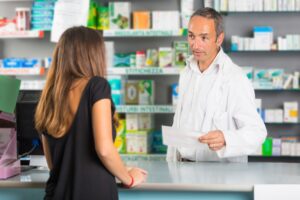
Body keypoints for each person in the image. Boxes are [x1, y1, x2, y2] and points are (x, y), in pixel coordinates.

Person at [35, 26, 147, 200]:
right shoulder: (97, 86)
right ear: (93, 55)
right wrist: (129, 177)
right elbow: (104, 149)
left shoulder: (49, 95)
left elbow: (52, 163)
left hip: (57, 193)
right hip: (94, 193)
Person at [167, 8, 267, 163]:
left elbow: (257, 132)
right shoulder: (187, 73)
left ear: (219, 39)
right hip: (182, 167)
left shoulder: (234, 78)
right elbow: (179, 124)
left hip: (218, 172)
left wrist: (226, 138)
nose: (195, 45)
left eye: (204, 38)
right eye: (191, 36)